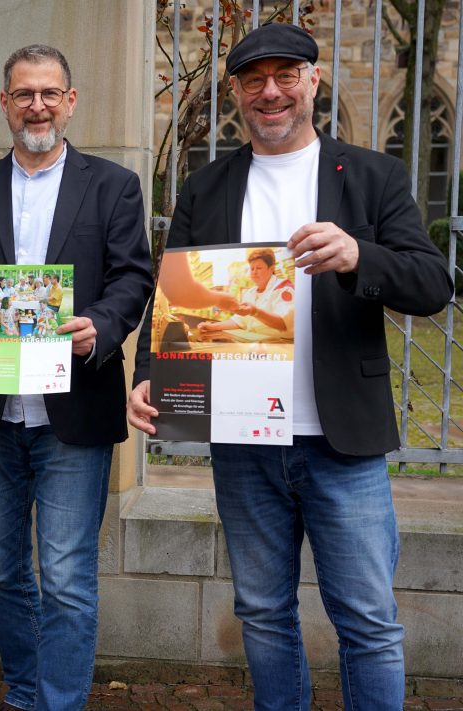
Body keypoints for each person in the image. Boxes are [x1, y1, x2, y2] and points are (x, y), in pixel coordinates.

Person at [127, 23, 452, 711]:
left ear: (311, 80)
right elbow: (172, 298)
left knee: (367, 620)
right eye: (253, 81)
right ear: (237, 94)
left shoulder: (372, 176)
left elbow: (432, 285)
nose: (269, 92)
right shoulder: (206, 186)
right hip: (244, 442)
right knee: (264, 613)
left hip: (343, 441)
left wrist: (361, 255)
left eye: (284, 76)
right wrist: (148, 374)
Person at [0, 44, 153, 711]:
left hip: (72, 410)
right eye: (24, 93)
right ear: (4, 103)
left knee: (66, 577)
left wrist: (102, 327)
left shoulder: (112, 185)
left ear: (71, 101)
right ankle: (26, 692)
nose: (37, 105)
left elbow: (134, 276)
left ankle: (57, 701)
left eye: (50, 93)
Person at [197, 247, 293, 338]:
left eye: (259, 268)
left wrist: (255, 312)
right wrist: (213, 327)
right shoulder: (250, 292)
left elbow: (283, 324)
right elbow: (239, 321)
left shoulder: (284, 289)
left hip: (280, 346)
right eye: (252, 268)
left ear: (271, 269)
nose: (254, 272)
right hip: (255, 343)